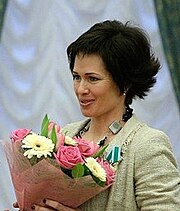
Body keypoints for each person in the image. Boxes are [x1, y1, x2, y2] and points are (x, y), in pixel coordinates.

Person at [13, 20, 180, 211]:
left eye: (92, 79)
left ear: (124, 83)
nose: (81, 89)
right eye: (77, 77)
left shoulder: (148, 145)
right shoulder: (66, 135)